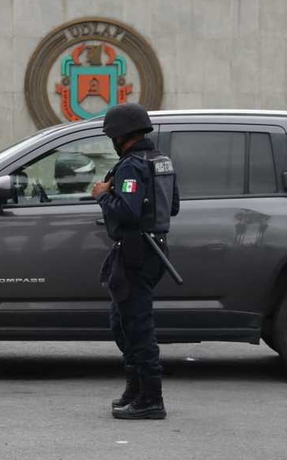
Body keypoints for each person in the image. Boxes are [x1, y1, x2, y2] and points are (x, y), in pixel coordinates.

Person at [92, 103, 179, 420]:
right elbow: (174, 206)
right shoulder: (162, 162)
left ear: (120, 136)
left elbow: (126, 211)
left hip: (136, 251)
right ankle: (135, 389)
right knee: (122, 321)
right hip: (154, 249)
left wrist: (102, 194)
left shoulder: (131, 166)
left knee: (137, 326)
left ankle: (151, 399)